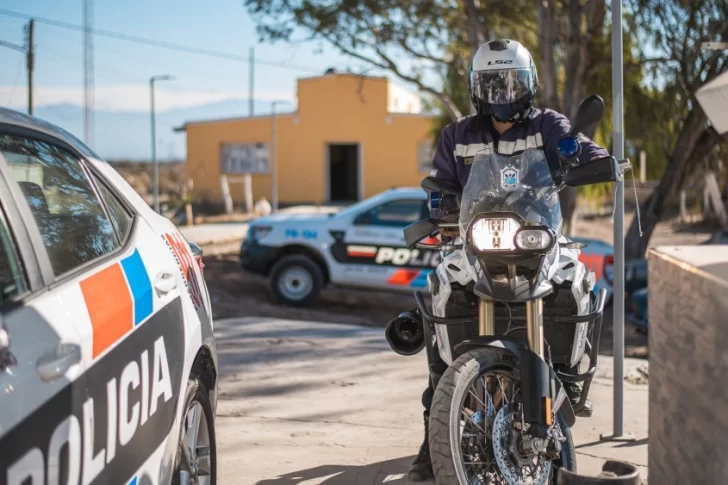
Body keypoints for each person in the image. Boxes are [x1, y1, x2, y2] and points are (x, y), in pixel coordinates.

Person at [408, 38, 609, 482]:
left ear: (529, 83)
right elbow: (440, 185)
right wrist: (439, 207)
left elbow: (589, 154)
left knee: (578, 282)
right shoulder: (457, 134)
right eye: (493, 84)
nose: (502, 93)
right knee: (440, 291)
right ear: (477, 88)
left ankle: (573, 378)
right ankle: (436, 424)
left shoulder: (548, 125)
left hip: (538, 235)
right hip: (477, 239)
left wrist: (586, 157)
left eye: (510, 82)